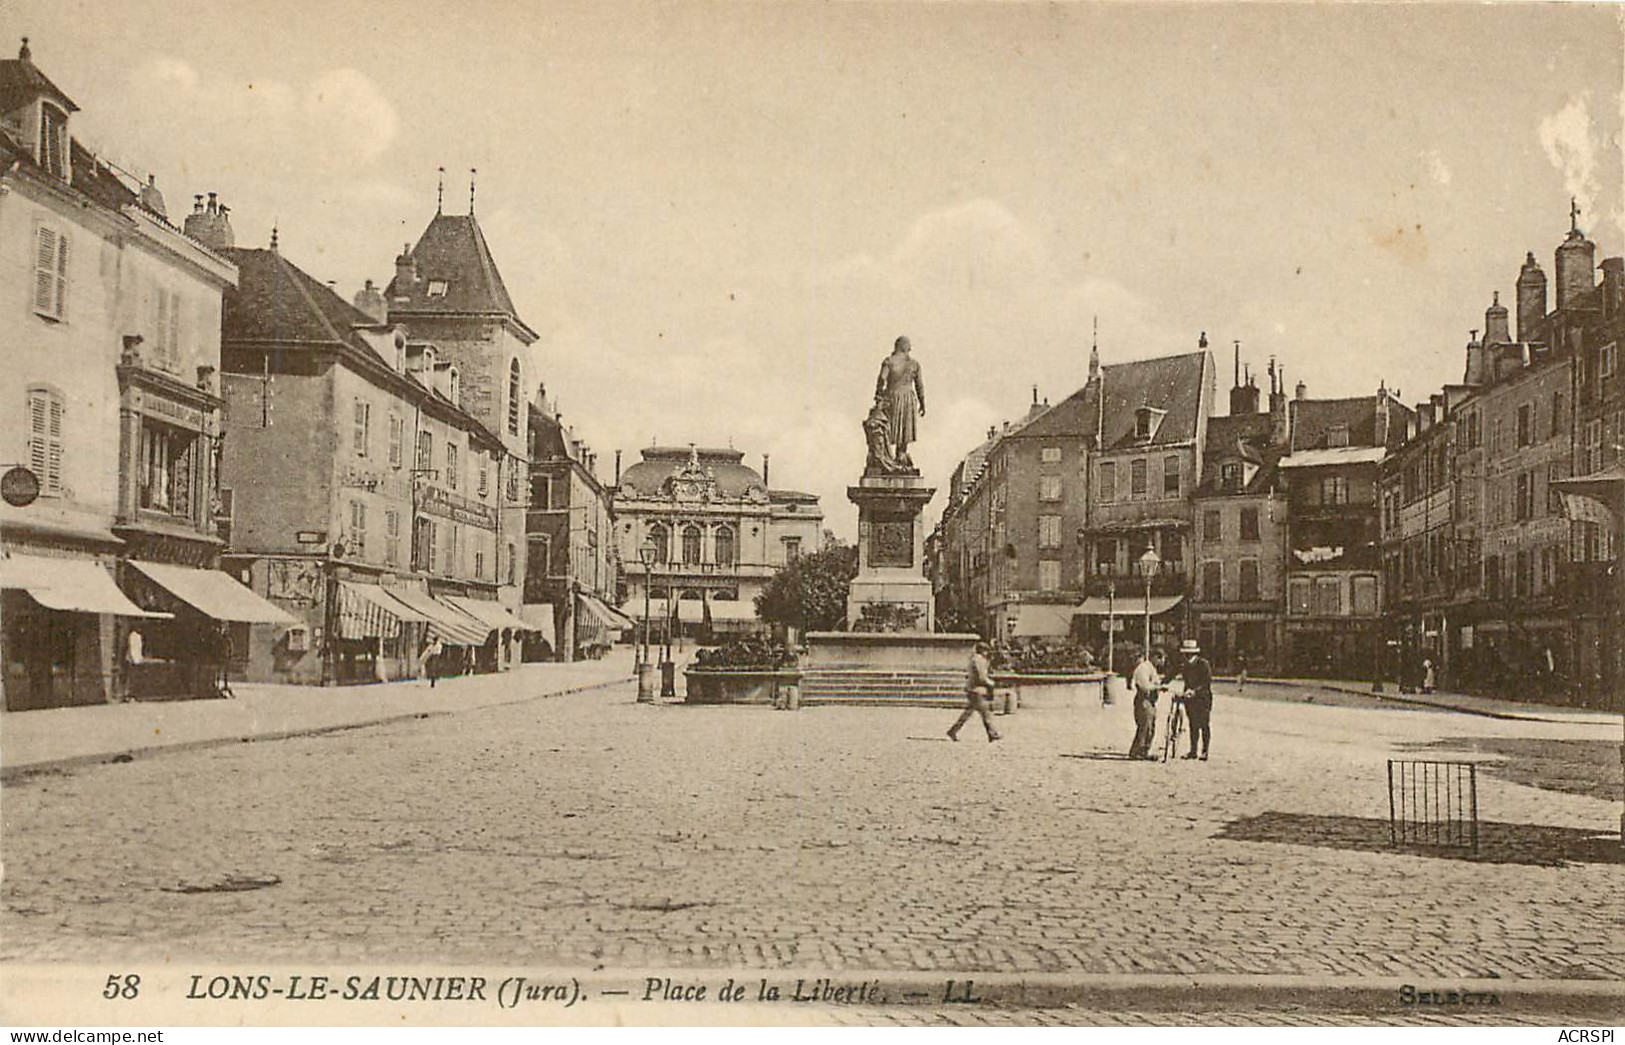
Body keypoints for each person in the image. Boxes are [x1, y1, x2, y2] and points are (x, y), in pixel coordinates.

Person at [1168, 638, 1214, 760]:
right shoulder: (1184, 664)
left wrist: (1194, 691)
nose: (1187, 656)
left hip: (1203, 698)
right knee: (1193, 724)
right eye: (1185, 654)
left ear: (1194, 653)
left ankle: (1205, 751)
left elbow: (1206, 682)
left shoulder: (1203, 664)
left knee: (1204, 724)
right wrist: (1163, 683)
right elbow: (1172, 673)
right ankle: (1193, 751)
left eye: (1189, 654)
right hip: (1189, 698)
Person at [948, 641, 1002, 743]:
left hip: (973, 689)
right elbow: (981, 677)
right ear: (983, 651)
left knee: (968, 713)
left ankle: (953, 730)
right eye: (986, 651)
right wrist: (991, 683)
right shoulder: (979, 660)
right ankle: (992, 733)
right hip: (978, 690)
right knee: (985, 713)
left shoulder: (974, 659)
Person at [1128, 648, 1165, 760]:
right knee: (1145, 725)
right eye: (1160, 659)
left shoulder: (1152, 669)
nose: (1161, 662)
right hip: (1144, 699)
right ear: (1154, 657)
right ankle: (1137, 751)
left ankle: (1144, 751)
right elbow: (1144, 685)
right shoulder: (1143, 668)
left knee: (1150, 726)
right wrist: (1158, 687)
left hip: (1151, 700)